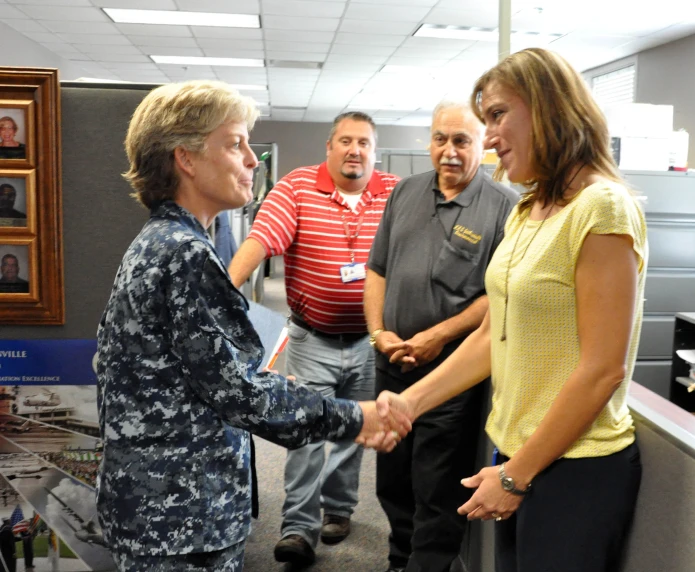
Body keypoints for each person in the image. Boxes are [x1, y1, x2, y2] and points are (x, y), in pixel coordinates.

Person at [96, 81, 409, 572]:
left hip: (158, 505)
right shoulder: (185, 254)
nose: (252, 160)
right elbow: (241, 394)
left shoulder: (161, 240)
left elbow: (193, 378)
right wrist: (359, 418)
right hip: (182, 516)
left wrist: (251, 382)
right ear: (187, 159)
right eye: (235, 143)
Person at [373, 47, 647, 572]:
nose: (490, 137)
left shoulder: (602, 206)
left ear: (547, 108)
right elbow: (492, 335)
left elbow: (601, 370)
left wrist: (516, 475)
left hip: (575, 467)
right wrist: (412, 403)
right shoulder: (528, 209)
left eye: (497, 115)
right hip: (520, 454)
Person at [228, 111, 400, 566]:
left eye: (364, 142)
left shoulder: (394, 193)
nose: (354, 150)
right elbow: (263, 238)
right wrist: (224, 290)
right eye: (345, 141)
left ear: (373, 152)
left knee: (350, 430)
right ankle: (298, 528)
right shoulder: (298, 187)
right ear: (329, 147)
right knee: (303, 431)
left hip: (369, 340)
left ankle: (339, 511)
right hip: (312, 339)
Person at [364, 101, 518, 572]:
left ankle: (427, 565)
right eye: (440, 139)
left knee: (436, 484)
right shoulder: (404, 192)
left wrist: (436, 336)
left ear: (482, 148)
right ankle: (399, 559)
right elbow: (377, 270)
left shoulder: (503, 209)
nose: (448, 151)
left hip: (451, 371)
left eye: (461, 141)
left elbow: (496, 298)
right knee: (391, 476)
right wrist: (379, 333)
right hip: (391, 365)